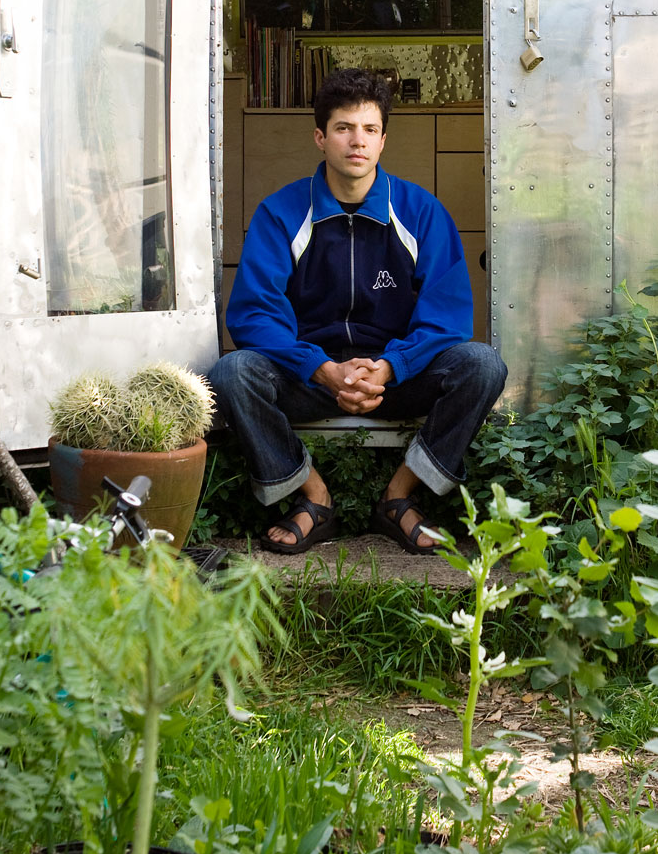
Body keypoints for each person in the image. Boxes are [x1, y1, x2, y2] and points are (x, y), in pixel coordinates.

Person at [210, 68, 507, 554]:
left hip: (394, 378)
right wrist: (321, 368)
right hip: (309, 377)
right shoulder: (280, 212)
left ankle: (399, 496)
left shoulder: (421, 212)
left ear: (383, 140)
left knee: (482, 365)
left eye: (369, 130)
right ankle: (313, 495)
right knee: (232, 372)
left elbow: (447, 317)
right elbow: (254, 313)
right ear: (320, 137)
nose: (357, 141)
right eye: (344, 128)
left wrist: (391, 367)